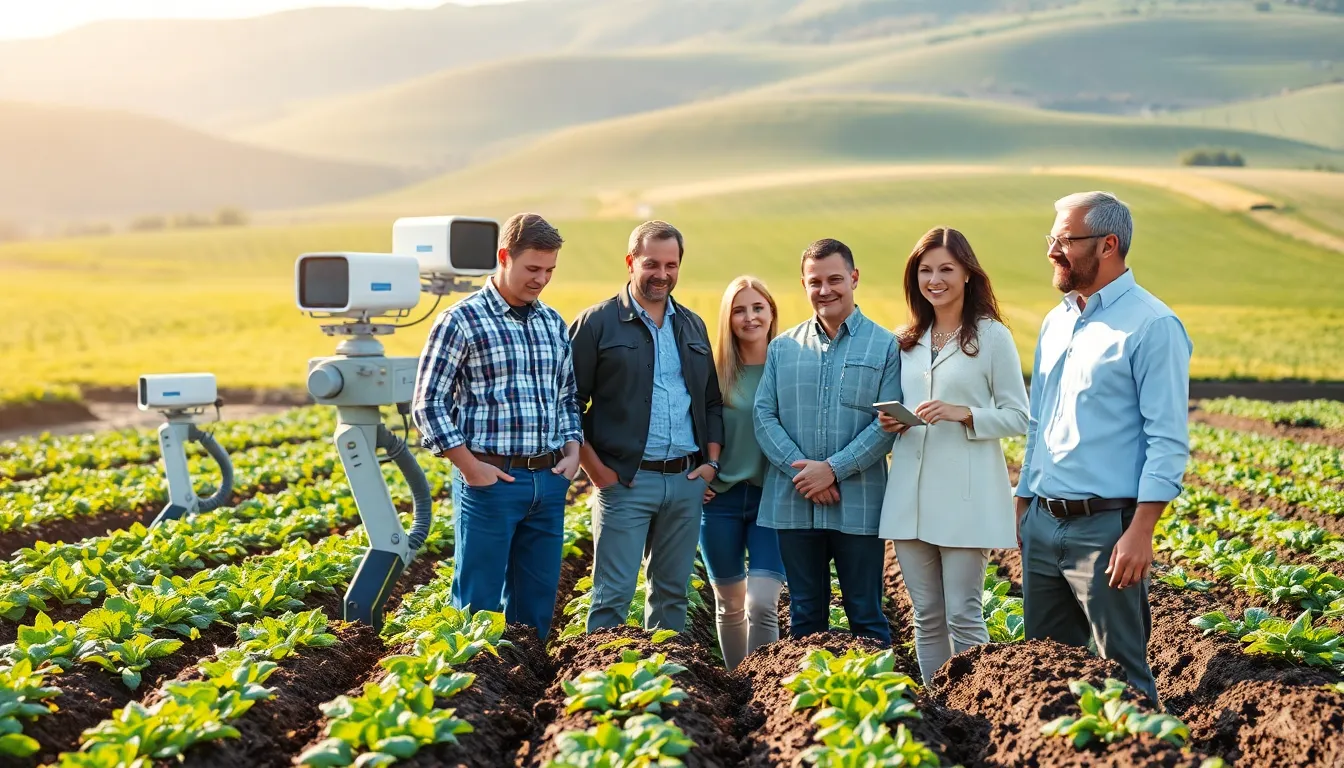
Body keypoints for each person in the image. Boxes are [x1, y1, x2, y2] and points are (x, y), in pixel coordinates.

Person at [1015, 191, 1192, 706]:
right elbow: (1039, 419)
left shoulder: (1153, 326)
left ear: (1108, 245)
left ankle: (1141, 745)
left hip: (1108, 531)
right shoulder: (1057, 321)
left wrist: (1142, 531)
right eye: (1052, 239)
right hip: (1043, 522)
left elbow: (1167, 440)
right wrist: (1025, 497)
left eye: (1065, 240)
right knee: (1047, 670)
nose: (1052, 251)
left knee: (1123, 674)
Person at [411, 212, 582, 642]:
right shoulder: (460, 320)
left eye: (550, 270)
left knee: (536, 606)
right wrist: (471, 468)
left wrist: (573, 449)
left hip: (548, 480)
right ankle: (472, 679)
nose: (542, 279)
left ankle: (522, 677)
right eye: (533, 268)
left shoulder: (552, 322)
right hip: (490, 481)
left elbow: (566, 396)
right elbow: (428, 404)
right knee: (477, 603)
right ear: (504, 257)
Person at [876, 226, 1029, 684]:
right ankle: (939, 708)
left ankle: (974, 703)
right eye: (925, 270)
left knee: (963, 613)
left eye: (946, 269)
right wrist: (894, 421)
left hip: (966, 498)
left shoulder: (992, 336)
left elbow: (1019, 417)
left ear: (967, 274)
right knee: (926, 616)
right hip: (910, 497)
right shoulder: (905, 340)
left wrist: (964, 413)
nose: (935, 279)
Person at [569, 220, 724, 634]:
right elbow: (567, 404)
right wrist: (597, 472)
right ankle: (602, 671)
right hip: (625, 482)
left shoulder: (691, 325)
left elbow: (710, 401)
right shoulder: (597, 323)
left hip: (685, 482)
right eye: (651, 263)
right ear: (630, 262)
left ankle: (665, 671)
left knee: (672, 594)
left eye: (671, 265)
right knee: (612, 596)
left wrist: (710, 464)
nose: (662, 274)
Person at [754, 238, 901, 644]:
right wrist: (806, 475)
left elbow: (887, 424)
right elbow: (763, 416)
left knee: (866, 612)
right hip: (794, 501)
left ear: (854, 278)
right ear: (803, 284)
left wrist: (832, 471)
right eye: (815, 281)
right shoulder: (782, 348)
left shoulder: (886, 346)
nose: (825, 290)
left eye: (835, 279)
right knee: (804, 614)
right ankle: (808, 687)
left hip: (859, 503)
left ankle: (878, 684)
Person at [699, 275, 787, 669]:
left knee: (763, 603)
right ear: (728, 319)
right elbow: (693, 427)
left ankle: (763, 682)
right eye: (739, 310)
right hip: (720, 501)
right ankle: (738, 685)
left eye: (757, 307)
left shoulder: (789, 367)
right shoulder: (713, 372)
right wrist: (697, 472)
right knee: (730, 604)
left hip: (773, 499)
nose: (750, 317)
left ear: (771, 312)